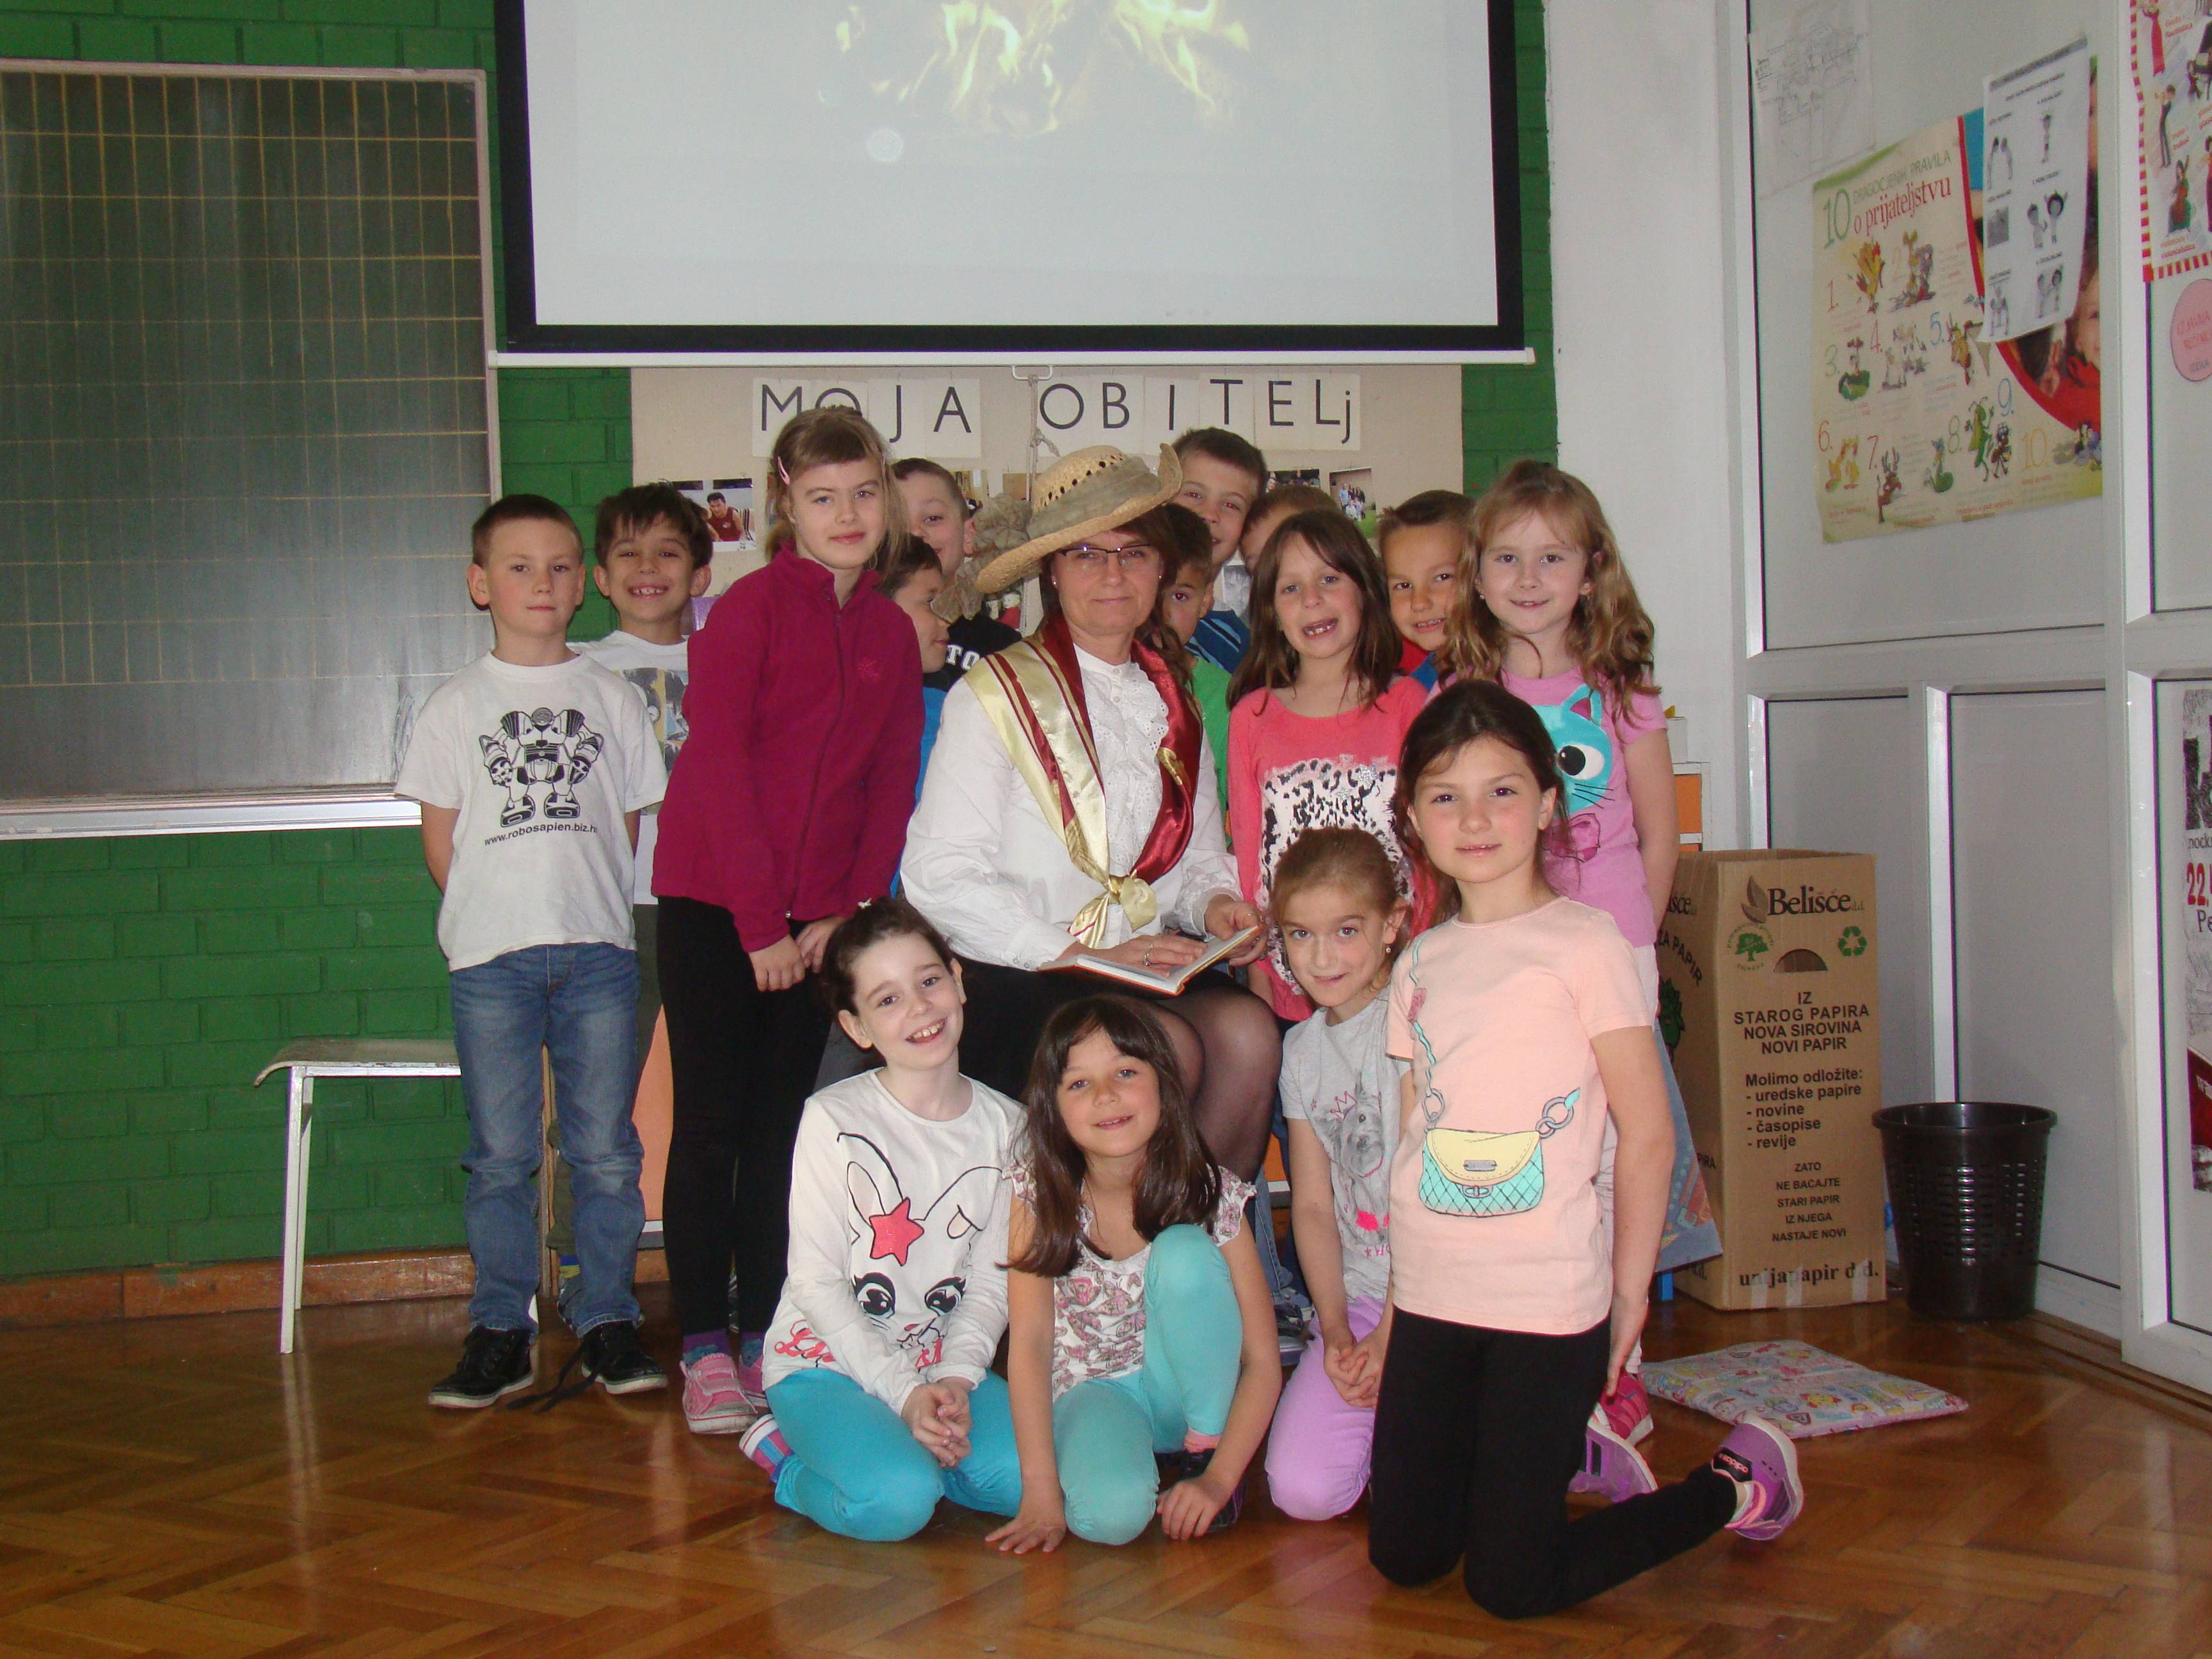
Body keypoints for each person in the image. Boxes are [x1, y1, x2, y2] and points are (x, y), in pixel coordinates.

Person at [1368, 682, 1802, 1617]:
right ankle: (1558, 1455)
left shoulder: (1587, 945)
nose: (1474, 819)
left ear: (1547, 804)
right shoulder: (1419, 962)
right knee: (1406, 1556)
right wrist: (1398, 1308)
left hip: (1548, 1304)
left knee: (1510, 1585)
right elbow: (1415, 1140)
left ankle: (1734, 1485)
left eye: (1502, 791)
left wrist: (1627, 1294)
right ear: (1413, 818)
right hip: (1435, 1296)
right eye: (1445, 796)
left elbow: (1647, 1134)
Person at [1439, 460, 1723, 1467]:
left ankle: (1619, 1357)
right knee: (1538, 1145)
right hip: (1508, 959)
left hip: (1610, 956)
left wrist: (1634, 945)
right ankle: (1532, 1344)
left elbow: (1659, 834)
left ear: (1592, 571)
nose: (1529, 579)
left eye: (1552, 558)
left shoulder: (1621, 696)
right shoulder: (1469, 698)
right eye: (1507, 559)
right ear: (1477, 575)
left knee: (1612, 1159)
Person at [901, 444, 1281, 1184]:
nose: (1113, 575)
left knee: (1248, 1033)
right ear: (1051, 572)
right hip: (1028, 969)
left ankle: (1196, 1241)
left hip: (1141, 963)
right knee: (1158, 1051)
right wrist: (1080, 954)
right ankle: (1110, 1249)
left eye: (1134, 553)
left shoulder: (1172, 697)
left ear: (1161, 568)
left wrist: (1218, 907)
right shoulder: (992, 697)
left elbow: (1198, 857)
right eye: (1085, 555)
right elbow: (938, 875)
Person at [653, 408, 924, 1436]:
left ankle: (768, 1331)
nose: (846, 515)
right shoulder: (748, 613)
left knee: (783, 1134)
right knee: (710, 1128)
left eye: (862, 495)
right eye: (822, 499)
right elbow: (718, 768)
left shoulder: (890, 631)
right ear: (787, 505)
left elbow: (890, 783)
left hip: (818, 924)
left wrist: (844, 913)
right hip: (715, 905)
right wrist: (762, 923)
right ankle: (700, 1345)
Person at [395, 495, 668, 1408]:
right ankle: (501, 1329)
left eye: (558, 567)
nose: (541, 583)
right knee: (502, 1155)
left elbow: (623, 829)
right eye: (519, 567)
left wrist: (580, 907)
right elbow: (442, 845)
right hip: (492, 961)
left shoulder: (612, 697)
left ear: (581, 583)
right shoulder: (454, 706)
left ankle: (607, 1316)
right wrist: (495, 914)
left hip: (598, 954)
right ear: (481, 584)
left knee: (605, 1153)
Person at [739, 902, 1025, 1541]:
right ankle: (785, 1460)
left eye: (929, 981)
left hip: (939, 1364)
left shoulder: (1011, 1127)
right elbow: (815, 1283)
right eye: (888, 999)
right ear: (857, 1026)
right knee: (898, 1504)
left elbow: (991, 1282)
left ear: (957, 980)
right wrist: (903, 1394)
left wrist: (955, 1379)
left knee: (1029, 1485)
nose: (920, 1008)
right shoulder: (832, 1119)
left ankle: (918, 1452)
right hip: (824, 1363)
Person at [988, 997, 1281, 1551]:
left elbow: (1264, 1361)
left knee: (1184, 1252)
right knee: (1109, 1521)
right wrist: (1041, 1490)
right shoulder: (1038, 1193)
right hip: (1095, 1390)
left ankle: (1204, 1451)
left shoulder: (1210, 1192)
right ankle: (1134, 1458)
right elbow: (1029, 1344)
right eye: (1079, 1083)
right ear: (1052, 1108)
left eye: (1125, 1072)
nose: (1106, 1096)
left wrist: (1221, 1479)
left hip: (1188, 1394)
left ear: (1164, 1087)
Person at [533, 485, 712, 1317]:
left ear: (700, 573)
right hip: (610, 913)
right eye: (629, 554)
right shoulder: (578, 670)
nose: (649, 568)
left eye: (669, 552)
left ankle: (722, 1255)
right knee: (598, 1093)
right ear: (599, 577)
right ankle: (585, 1262)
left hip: (710, 905)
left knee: (716, 1094)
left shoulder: (727, 661)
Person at [1226, 508, 1426, 1021]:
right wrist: (1262, 977)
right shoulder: (1252, 717)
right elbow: (1252, 862)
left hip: (1402, 977)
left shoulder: (1408, 704)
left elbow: (1428, 853)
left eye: (1329, 579)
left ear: (1365, 590)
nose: (1311, 600)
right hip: (1297, 984)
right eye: (1290, 588)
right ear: (1271, 612)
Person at [1261, 829, 1407, 1521]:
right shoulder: (1302, 1050)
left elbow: (1430, 1200)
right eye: (1301, 935)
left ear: (1391, 924)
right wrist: (1338, 1331)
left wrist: (1391, 1338)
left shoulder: (1415, 1022)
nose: (1321, 958)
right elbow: (1314, 1208)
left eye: (1347, 931)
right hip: (1361, 1298)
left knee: (1428, 1502)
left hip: (1441, 1296)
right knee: (1302, 1492)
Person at [893, 456, 1020, 687]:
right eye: (896, 522)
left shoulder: (1004, 648)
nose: (915, 533)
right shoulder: (858, 636)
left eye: (933, 518)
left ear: (969, 535)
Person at [1152, 503, 1234, 814]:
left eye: (1180, 596)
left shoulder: (1226, 698)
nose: (1162, 613)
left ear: (1206, 598)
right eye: (1153, 591)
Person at [1173, 428, 1267, 671]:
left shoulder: (1239, 645)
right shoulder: (1127, 605)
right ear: (1163, 500)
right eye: (1194, 494)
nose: (1209, 514)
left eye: (1231, 505)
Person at [876, 536, 954, 790]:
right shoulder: (848, 713)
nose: (945, 620)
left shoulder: (947, 710)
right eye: (930, 602)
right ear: (879, 609)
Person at [1377, 489, 1471, 688]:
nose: (1419, 603)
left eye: (1442, 577)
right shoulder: (1415, 691)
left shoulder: (1520, 674)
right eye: (1403, 585)